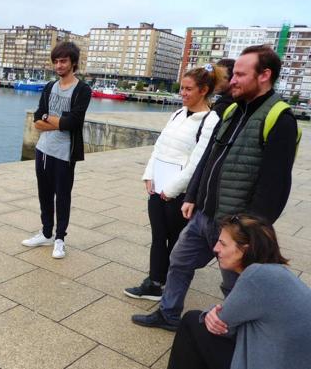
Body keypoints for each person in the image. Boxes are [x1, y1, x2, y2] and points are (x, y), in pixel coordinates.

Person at [132, 44, 299, 331]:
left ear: (264, 75)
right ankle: (169, 314)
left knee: (235, 283)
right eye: (233, 74)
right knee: (179, 260)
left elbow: (275, 188)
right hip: (204, 214)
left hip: (235, 225)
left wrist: (245, 232)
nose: (232, 80)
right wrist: (194, 196)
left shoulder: (279, 119)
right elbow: (208, 159)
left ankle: (235, 331)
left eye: (240, 75)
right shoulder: (233, 111)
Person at [123, 65, 222, 301]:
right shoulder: (177, 114)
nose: (183, 94)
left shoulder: (210, 120)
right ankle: (155, 281)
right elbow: (160, 147)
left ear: (204, 90)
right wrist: (149, 175)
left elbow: (197, 162)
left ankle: (165, 282)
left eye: (189, 89)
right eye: (182, 89)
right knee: (158, 237)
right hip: (158, 187)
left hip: (179, 193)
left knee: (176, 240)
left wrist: (172, 190)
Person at [167, 214, 311, 369]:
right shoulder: (278, 272)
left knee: (192, 321)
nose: (215, 248)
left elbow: (222, 325)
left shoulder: (256, 276)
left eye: (222, 243)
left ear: (245, 249)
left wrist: (209, 313)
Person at [21, 42, 92, 259]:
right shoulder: (49, 87)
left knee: (62, 196)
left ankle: (60, 238)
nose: (59, 65)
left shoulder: (82, 90)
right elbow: (37, 117)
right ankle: (46, 233)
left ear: (73, 63)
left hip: (64, 153)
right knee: (44, 194)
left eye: (63, 61)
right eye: (56, 61)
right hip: (43, 150)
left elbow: (73, 122)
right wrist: (56, 121)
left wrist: (48, 120)